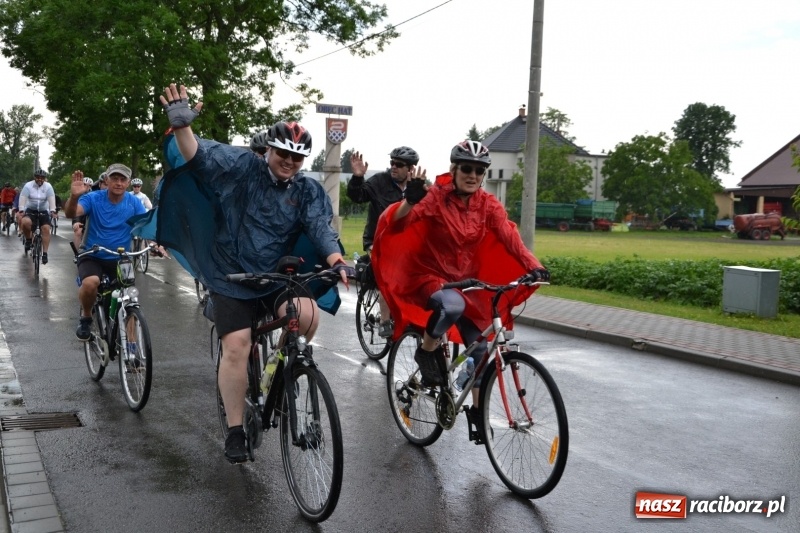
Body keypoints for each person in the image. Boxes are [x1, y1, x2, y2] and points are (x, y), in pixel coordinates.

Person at [158, 83, 354, 464]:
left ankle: (281, 368)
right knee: (237, 344)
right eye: (283, 154)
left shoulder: (308, 190)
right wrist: (183, 128)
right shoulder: (242, 166)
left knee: (307, 315)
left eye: (298, 159)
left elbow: (320, 227)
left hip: (277, 273)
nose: (290, 163)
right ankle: (234, 428)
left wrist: (334, 258)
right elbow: (199, 156)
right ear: (269, 150)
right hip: (230, 271)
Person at [372, 140, 550, 429]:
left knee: (480, 350)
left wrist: (535, 266)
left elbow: (509, 237)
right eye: (467, 168)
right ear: (454, 169)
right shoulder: (436, 198)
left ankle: (478, 418)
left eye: (479, 171)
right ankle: (426, 351)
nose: (473, 175)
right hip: (429, 276)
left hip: (467, 281)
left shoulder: (487, 205)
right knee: (451, 305)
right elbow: (398, 225)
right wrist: (410, 201)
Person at [63, 164, 146, 341]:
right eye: (114, 178)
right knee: (91, 283)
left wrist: (156, 244)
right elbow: (71, 213)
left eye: (122, 179)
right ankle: (86, 316)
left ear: (128, 183)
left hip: (121, 259)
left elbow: (145, 225)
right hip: (93, 255)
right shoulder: (93, 198)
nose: (118, 183)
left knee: (130, 300)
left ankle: (132, 350)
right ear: (106, 180)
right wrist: (74, 197)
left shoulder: (134, 203)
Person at [347, 146, 421, 337]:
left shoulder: (417, 186)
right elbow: (358, 196)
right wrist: (357, 177)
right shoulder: (380, 181)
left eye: (399, 164)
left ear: (411, 168)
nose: (393, 167)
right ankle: (385, 321)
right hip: (376, 240)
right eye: (392, 163)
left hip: (404, 244)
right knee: (387, 276)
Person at [18, 169, 57, 264]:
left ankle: (45, 254)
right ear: (34, 177)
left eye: (42, 177)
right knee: (25, 222)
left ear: (44, 178)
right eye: (38, 177)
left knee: (46, 229)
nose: (40, 179)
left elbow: (51, 199)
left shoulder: (48, 186)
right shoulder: (28, 185)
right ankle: (28, 239)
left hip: (43, 210)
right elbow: (23, 198)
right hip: (31, 209)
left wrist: (52, 211)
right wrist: (21, 209)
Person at [71, 177, 94, 250]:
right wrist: (76, 222)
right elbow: (74, 210)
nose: (87, 187)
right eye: (84, 184)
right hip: (79, 216)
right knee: (78, 231)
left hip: (90, 216)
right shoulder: (77, 194)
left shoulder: (94, 195)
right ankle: (76, 254)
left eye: (89, 185)